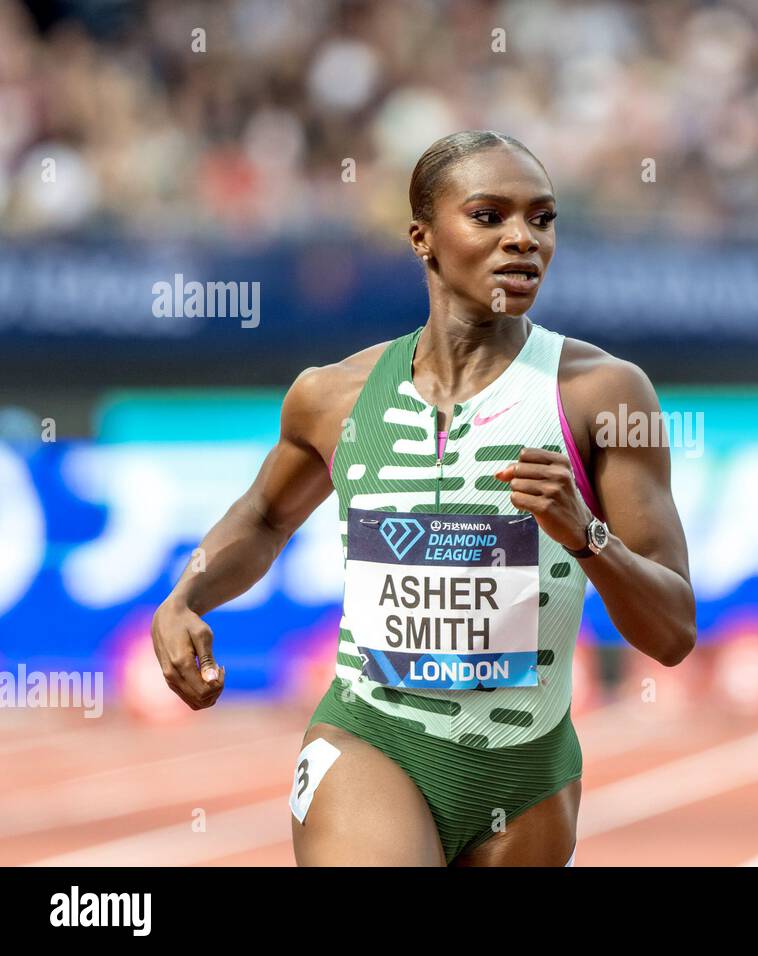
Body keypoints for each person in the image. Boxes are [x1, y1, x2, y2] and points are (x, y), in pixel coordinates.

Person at [151, 130, 697, 866]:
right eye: (489, 215)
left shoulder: (601, 394)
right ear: (422, 238)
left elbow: (672, 632)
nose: (522, 240)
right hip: (373, 737)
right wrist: (184, 597)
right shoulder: (332, 396)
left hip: (527, 771)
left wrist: (584, 534)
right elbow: (265, 515)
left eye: (542, 218)